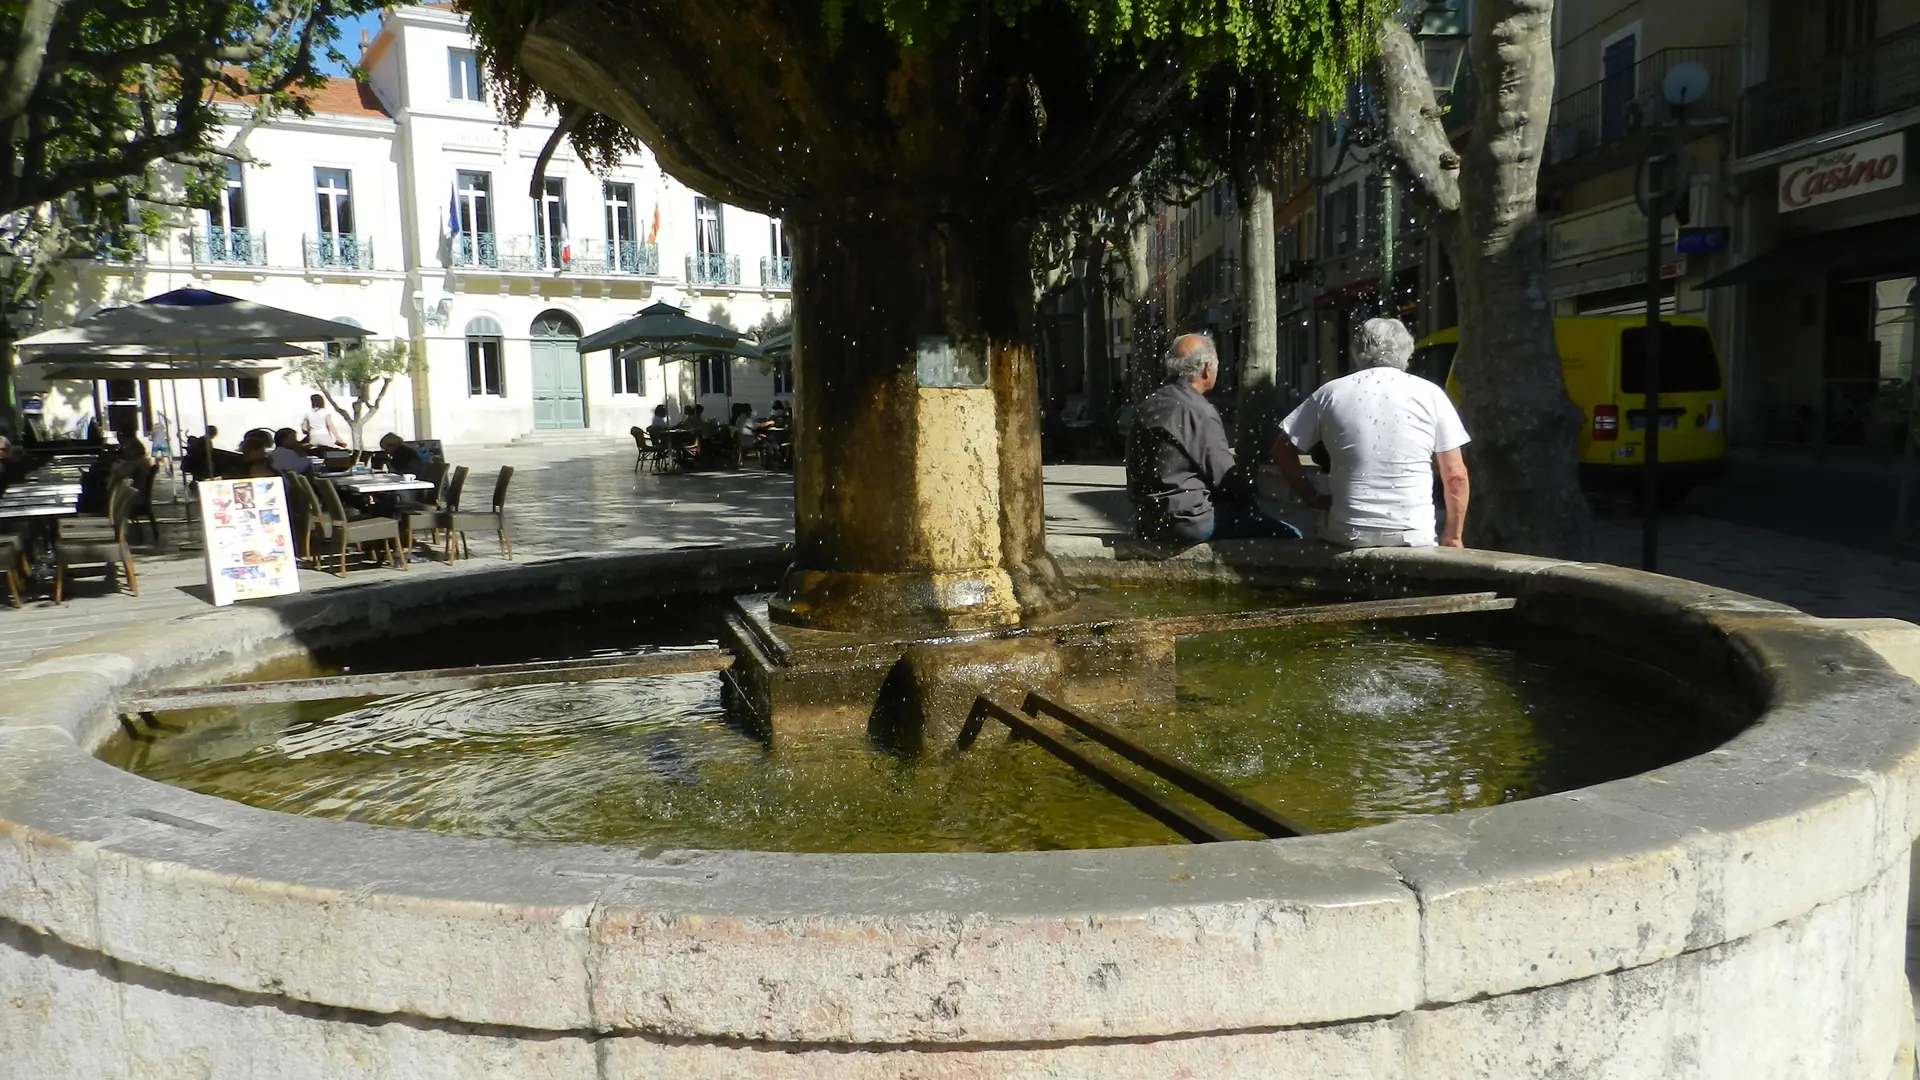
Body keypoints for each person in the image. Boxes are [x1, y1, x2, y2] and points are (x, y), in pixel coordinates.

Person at [1272, 317, 1471, 549]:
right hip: (1414, 536)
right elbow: (1456, 475)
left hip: (1349, 533)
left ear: (1358, 351)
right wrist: (1453, 536)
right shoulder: (1430, 394)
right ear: (1407, 351)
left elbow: (1281, 451)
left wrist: (1312, 497)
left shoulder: (1331, 393)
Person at [1126, 333, 1301, 544]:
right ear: (1207, 369)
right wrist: (1250, 504)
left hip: (1148, 522)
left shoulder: (1148, 405)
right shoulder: (1198, 410)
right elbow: (1226, 478)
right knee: (1291, 535)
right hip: (1188, 522)